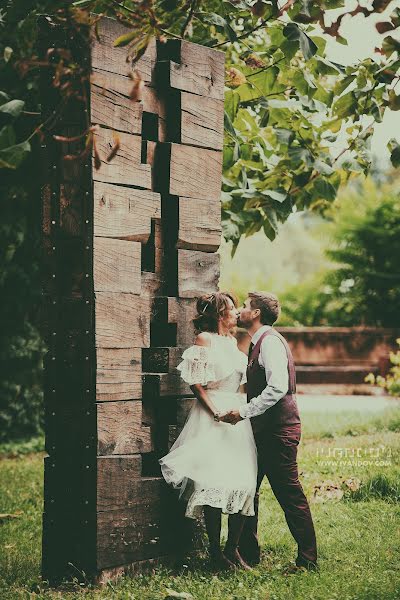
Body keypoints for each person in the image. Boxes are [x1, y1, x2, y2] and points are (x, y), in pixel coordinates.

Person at [159, 292, 257, 571]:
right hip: (212, 414)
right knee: (213, 480)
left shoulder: (233, 342)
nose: (236, 312)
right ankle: (215, 553)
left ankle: (232, 550)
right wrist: (214, 410)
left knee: (242, 480)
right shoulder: (205, 340)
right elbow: (196, 384)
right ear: (218, 315)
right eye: (231, 308)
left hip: (236, 415)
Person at [220, 291, 318, 571]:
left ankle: (307, 560)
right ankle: (248, 554)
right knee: (248, 487)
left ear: (257, 313)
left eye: (245, 306)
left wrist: (243, 411)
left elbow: (278, 387)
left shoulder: (270, 343)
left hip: (278, 431)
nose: (239, 310)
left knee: (288, 493)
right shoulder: (257, 342)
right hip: (264, 430)